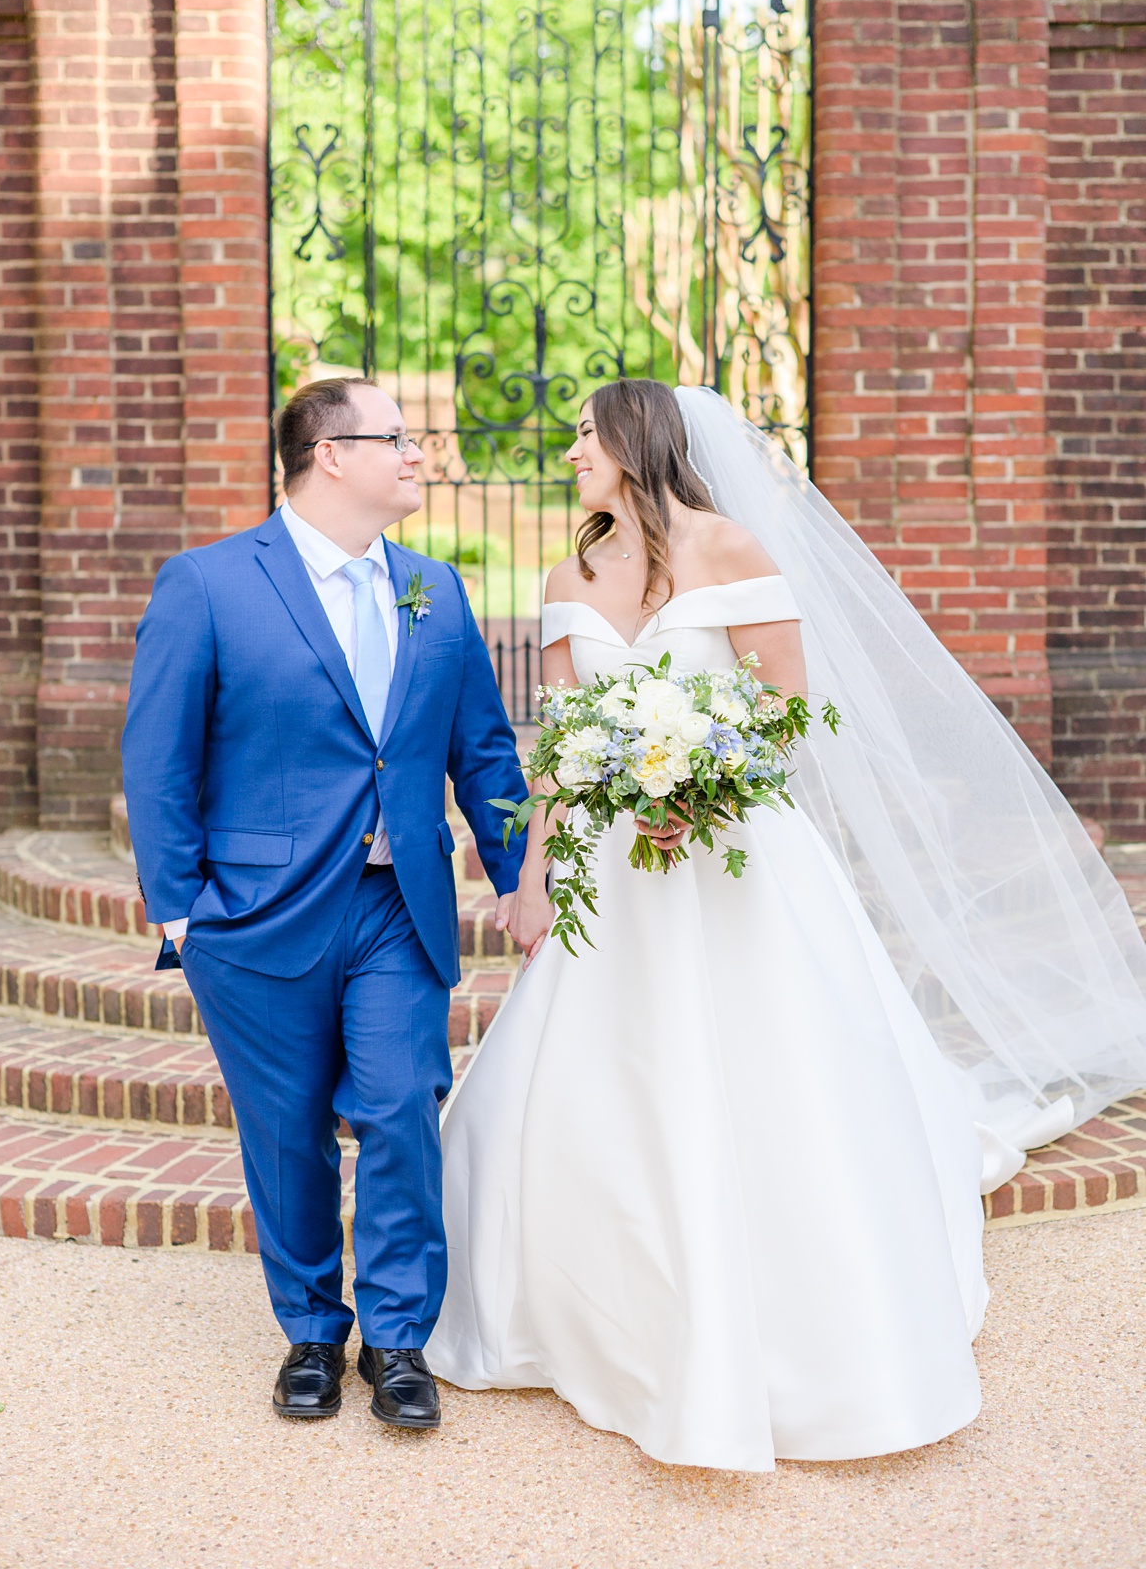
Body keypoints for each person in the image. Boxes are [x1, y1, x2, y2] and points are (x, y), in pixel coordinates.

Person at [429, 376, 1146, 1470]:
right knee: (600, 1075)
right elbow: (564, 746)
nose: (571, 449)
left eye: (586, 433)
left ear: (638, 443)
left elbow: (787, 714)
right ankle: (587, 1309)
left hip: (730, 856)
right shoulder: (567, 573)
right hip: (612, 873)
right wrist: (535, 876)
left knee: (773, 1070)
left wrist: (698, 791)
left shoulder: (733, 552)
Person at [121, 376, 531, 1430]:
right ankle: (311, 1328)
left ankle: (397, 1339)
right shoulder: (208, 583)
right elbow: (157, 755)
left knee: (399, 1107)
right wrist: (178, 906)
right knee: (286, 1129)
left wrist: (526, 876)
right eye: (397, 438)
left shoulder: (434, 587)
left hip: (400, 904)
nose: (418, 454)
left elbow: (482, 748)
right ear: (329, 454)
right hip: (253, 916)